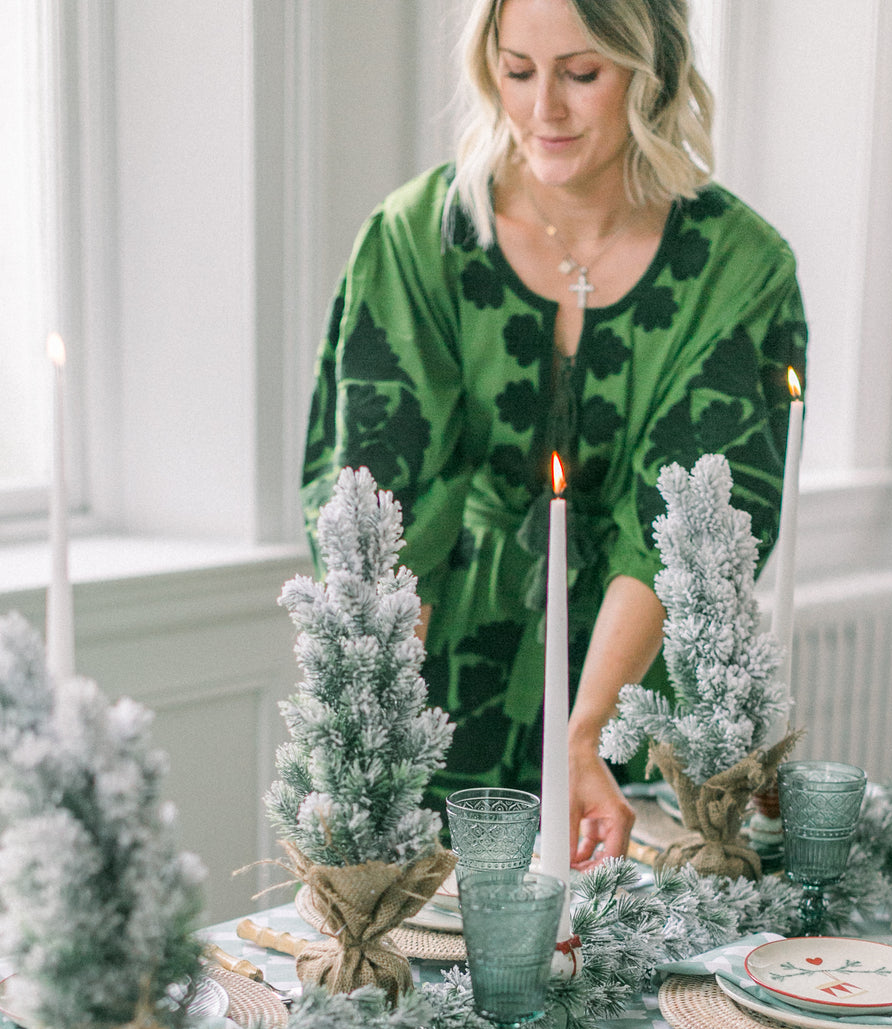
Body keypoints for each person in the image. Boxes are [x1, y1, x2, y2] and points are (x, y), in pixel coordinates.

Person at [302, 0, 807, 867]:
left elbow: (685, 533)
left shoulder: (740, 269)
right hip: (442, 674)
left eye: (582, 73)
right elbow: (383, 511)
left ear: (654, 68)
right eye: (517, 69)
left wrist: (585, 735)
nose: (543, 110)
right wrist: (381, 739)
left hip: (643, 712)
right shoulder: (416, 240)